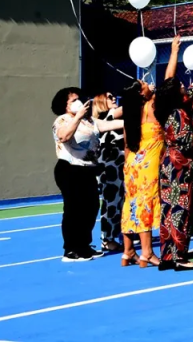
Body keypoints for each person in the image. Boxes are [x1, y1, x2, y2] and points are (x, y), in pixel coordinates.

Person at [51, 87, 123, 262]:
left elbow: (113, 124)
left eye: (79, 98)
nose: (78, 102)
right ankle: (71, 249)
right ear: (65, 105)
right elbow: (64, 136)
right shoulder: (62, 120)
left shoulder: (91, 121)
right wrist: (77, 116)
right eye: (73, 100)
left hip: (88, 169)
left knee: (91, 207)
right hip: (69, 168)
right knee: (74, 209)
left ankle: (84, 245)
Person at [155, 74, 193, 271]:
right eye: (181, 85)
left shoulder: (166, 111)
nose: (185, 86)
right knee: (181, 210)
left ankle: (167, 255)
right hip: (180, 166)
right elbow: (186, 143)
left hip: (168, 164)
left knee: (168, 209)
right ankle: (180, 256)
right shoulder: (179, 113)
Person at [119, 79, 163, 267]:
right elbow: (168, 80)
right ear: (140, 92)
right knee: (146, 203)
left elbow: (127, 144)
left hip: (131, 163)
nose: (149, 83)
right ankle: (147, 252)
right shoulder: (152, 106)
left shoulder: (129, 113)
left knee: (131, 203)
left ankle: (128, 251)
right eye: (144, 84)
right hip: (149, 161)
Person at [91, 92, 124, 252]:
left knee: (120, 202)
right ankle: (107, 238)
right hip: (110, 166)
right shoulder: (107, 117)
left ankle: (117, 234)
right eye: (110, 97)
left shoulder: (112, 118)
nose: (113, 99)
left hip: (119, 165)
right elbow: (127, 108)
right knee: (111, 203)